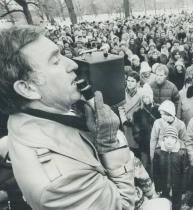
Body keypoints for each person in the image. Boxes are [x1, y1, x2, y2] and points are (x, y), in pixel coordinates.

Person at [0, 26, 135, 209]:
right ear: (27, 88)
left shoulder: (34, 114)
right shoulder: (58, 184)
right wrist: (109, 144)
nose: (73, 64)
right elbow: (124, 206)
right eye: (55, 60)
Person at [152, 125, 188, 210]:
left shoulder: (181, 153)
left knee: (176, 204)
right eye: (167, 137)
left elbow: (185, 172)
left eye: (172, 138)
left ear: (176, 140)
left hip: (177, 185)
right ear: (163, 139)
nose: (169, 140)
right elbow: (156, 172)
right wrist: (158, 186)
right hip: (163, 184)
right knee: (164, 203)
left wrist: (183, 187)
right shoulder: (158, 152)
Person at [133, 84, 160, 173]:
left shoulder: (158, 109)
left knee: (155, 166)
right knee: (144, 165)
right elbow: (135, 130)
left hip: (157, 143)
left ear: (151, 96)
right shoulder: (137, 112)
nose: (145, 99)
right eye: (143, 97)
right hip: (144, 144)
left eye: (147, 97)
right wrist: (140, 139)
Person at [118, 71, 142, 156]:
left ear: (137, 83)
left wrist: (135, 120)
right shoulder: (122, 93)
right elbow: (120, 107)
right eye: (128, 80)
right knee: (127, 145)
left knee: (136, 146)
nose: (130, 83)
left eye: (132, 81)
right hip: (126, 124)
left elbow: (142, 108)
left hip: (136, 124)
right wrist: (124, 120)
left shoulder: (141, 94)